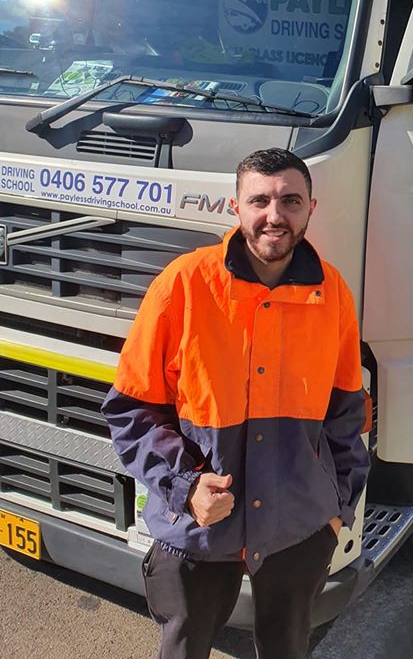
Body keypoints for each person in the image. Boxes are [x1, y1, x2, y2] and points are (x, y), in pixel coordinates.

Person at [101, 147, 370, 659]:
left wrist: (337, 507)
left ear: (312, 207)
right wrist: (184, 487)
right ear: (235, 207)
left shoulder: (331, 291)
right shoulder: (183, 284)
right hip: (199, 526)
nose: (275, 215)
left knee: (288, 648)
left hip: (300, 525)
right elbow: (131, 410)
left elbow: (346, 409)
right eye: (260, 200)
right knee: (184, 648)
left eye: (290, 200)